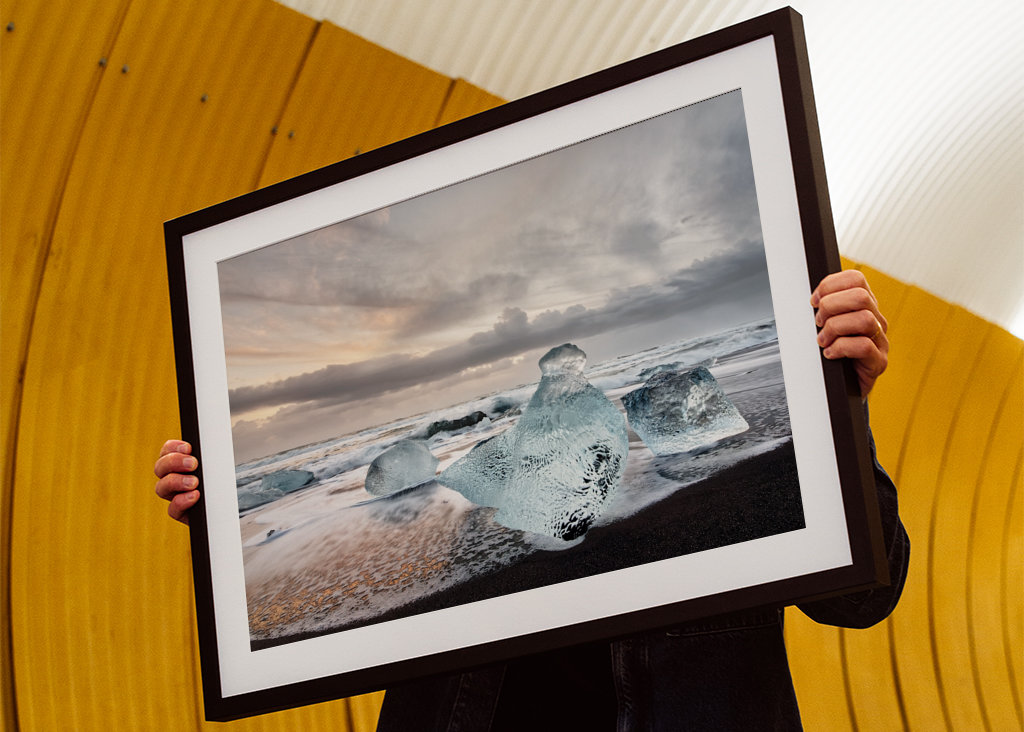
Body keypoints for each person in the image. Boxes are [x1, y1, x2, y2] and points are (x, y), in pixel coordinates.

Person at [155, 269, 908, 731]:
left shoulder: (699, 462)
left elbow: (864, 598)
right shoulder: (490, 488)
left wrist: (838, 405)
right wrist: (229, 513)